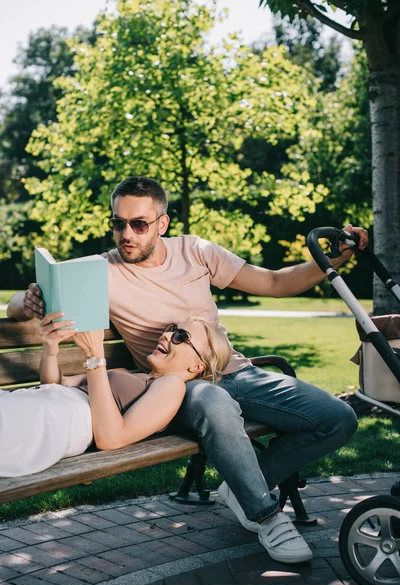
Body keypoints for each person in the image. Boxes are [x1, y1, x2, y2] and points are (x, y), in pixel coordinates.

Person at [8, 176, 369, 564]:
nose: (125, 234)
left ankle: (249, 485)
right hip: (177, 389)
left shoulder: (196, 251)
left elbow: (274, 281)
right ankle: (265, 514)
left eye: (138, 224)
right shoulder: (101, 270)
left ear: (162, 224)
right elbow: (36, 292)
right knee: (211, 396)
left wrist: (329, 262)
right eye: (117, 223)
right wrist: (24, 301)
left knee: (337, 418)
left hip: (236, 372)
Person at [0, 312, 231, 477]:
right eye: (171, 328)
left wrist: (94, 355)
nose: (167, 335)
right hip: (41, 403)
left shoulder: (172, 386)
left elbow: (111, 438)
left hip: (58, 419)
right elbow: (56, 384)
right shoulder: (124, 374)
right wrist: (50, 348)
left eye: (181, 337)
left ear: (197, 367)